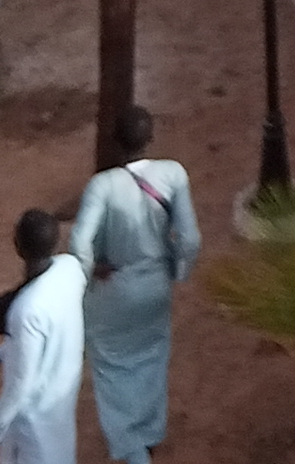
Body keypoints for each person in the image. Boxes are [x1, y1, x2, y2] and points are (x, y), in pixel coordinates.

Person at [74, 107, 201, 462]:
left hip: (114, 288)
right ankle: (149, 433)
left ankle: (131, 448)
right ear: (150, 138)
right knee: (152, 357)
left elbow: (79, 244)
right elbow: (190, 240)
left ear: (116, 142)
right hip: (156, 284)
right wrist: (179, 272)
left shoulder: (102, 185)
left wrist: (88, 275)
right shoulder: (173, 174)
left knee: (112, 367)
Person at [0, 208, 87, 464]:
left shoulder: (25, 310)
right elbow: (45, 335)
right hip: (60, 405)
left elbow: (20, 384)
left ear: (17, 246)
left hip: (33, 423)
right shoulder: (71, 269)